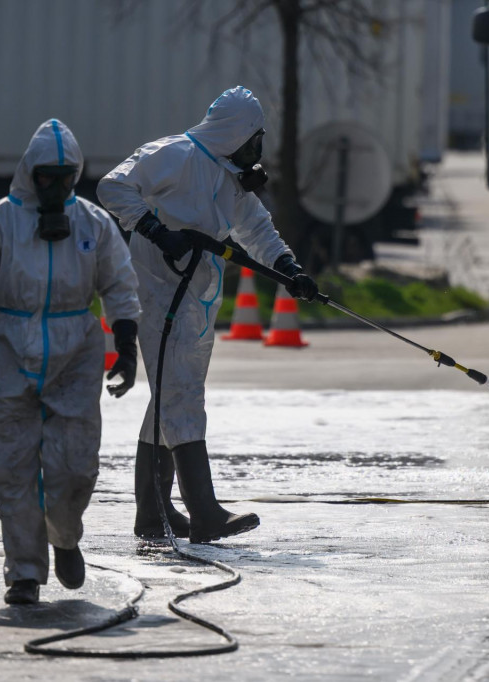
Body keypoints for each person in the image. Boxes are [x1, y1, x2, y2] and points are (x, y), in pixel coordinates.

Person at [97, 86, 318, 544]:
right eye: (254, 138)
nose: (256, 149)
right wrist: (157, 231)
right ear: (236, 132)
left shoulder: (226, 176)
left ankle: (152, 515)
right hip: (159, 292)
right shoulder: (172, 154)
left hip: (197, 295)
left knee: (170, 399)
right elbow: (112, 187)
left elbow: (256, 229)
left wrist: (288, 269)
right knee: (181, 397)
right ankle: (204, 512)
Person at [0, 119, 141, 606]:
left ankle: (65, 537)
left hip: (77, 350)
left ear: (76, 175)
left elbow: (119, 283)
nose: (54, 187)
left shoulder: (93, 225)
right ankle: (25, 574)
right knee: (10, 469)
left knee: (74, 467)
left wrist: (126, 344)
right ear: (28, 173)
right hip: (7, 350)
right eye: (45, 176)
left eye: (64, 176)